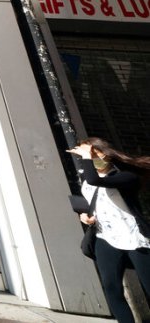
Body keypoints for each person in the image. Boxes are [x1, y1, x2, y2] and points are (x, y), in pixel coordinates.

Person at [67, 137, 150, 323]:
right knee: (111, 288)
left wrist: (87, 155)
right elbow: (96, 204)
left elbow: (95, 179)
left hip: (135, 238)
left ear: (107, 155)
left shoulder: (127, 176)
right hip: (105, 237)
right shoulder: (86, 182)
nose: (93, 159)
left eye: (96, 154)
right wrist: (87, 218)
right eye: (89, 156)